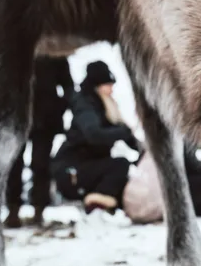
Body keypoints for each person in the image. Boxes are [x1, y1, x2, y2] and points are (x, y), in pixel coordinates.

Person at [51, 61, 143, 214]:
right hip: (71, 169)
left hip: (88, 166)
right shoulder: (85, 105)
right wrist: (124, 132)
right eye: (108, 85)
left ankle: (103, 208)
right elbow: (94, 134)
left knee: (123, 177)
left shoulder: (106, 107)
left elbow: (125, 136)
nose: (111, 90)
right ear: (97, 85)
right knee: (120, 165)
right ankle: (96, 209)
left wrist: (144, 152)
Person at [4, 56, 75, 228]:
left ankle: (38, 209)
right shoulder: (15, 50)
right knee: (14, 165)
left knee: (40, 165)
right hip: (18, 114)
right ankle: (13, 210)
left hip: (45, 118)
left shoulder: (53, 54)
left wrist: (59, 107)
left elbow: (68, 85)